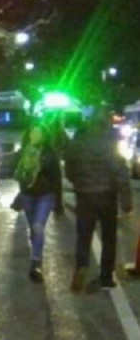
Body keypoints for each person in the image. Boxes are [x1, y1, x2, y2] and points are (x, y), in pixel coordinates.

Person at [66, 107, 132, 291]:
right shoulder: (111, 140)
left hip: (85, 195)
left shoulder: (79, 140)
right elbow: (121, 171)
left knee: (83, 235)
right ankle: (105, 276)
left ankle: (82, 266)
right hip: (107, 195)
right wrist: (126, 202)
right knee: (109, 237)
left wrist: (78, 182)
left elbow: (69, 166)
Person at [14, 123, 62, 283]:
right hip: (28, 195)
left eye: (39, 133)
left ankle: (36, 262)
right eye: (33, 133)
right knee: (33, 229)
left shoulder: (50, 153)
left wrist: (59, 202)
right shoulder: (23, 152)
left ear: (44, 136)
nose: (35, 136)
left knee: (38, 227)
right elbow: (16, 172)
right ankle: (36, 254)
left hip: (45, 195)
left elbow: (57, 178)